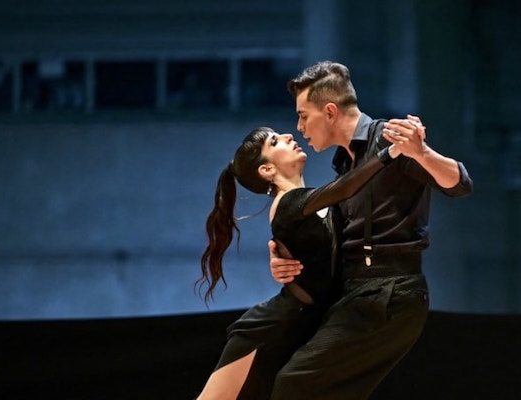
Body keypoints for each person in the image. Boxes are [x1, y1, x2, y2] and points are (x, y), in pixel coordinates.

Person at [268, 61, 473, 399]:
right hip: (358, 291)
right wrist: (284, 259)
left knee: (294, 384)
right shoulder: (344, 163)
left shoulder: (390, 140)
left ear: (330, 112)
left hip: (389, 293)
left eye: (304, 115)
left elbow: (460, 183)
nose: (299, 126)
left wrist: (421, 153)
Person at [194, 125, 406, 400]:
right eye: (275, 141)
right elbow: (345, 186)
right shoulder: (289, 204)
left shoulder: (317, 203)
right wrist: (391, 152)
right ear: (267, 170)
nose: (289, 136)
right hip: (276, 325)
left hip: (312, 325)